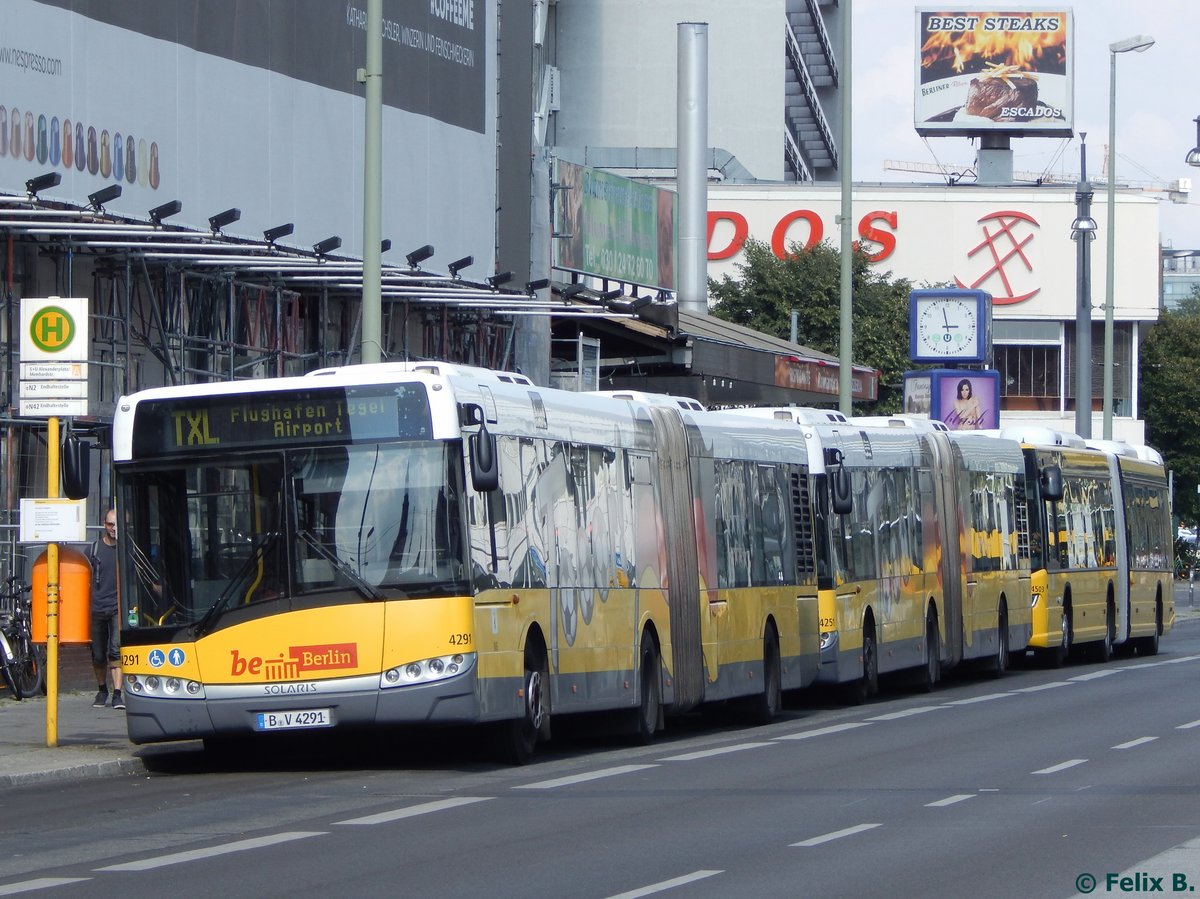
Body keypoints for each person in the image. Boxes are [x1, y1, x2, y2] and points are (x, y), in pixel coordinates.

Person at [87, 510, 123, 709]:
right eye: (111, 524)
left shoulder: (125, 550)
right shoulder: (93, 550)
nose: (114, 528)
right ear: (104, 524)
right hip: (96, 608)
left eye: (117, 525)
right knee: (98, 654)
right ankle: (102, 691)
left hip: (116, 607)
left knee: (116, 650)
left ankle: (118, 694)